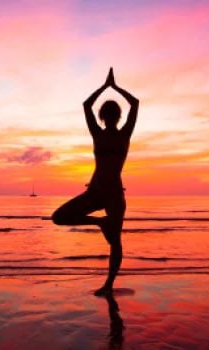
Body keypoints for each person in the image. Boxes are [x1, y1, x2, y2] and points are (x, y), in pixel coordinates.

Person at [52, 67, 138, 296]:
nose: (110, 117)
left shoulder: (124, 134)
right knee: (58, 217)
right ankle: (100, 223)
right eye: (107, 114)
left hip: (113, 194)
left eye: (112, 114)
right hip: (97, 191)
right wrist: (109, 87)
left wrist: (110, 87)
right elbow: (86, 106)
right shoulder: (98, 133)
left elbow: (135, 104)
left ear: (116, 117)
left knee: (115, 242)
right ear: (104, 117)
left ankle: (108, 286)